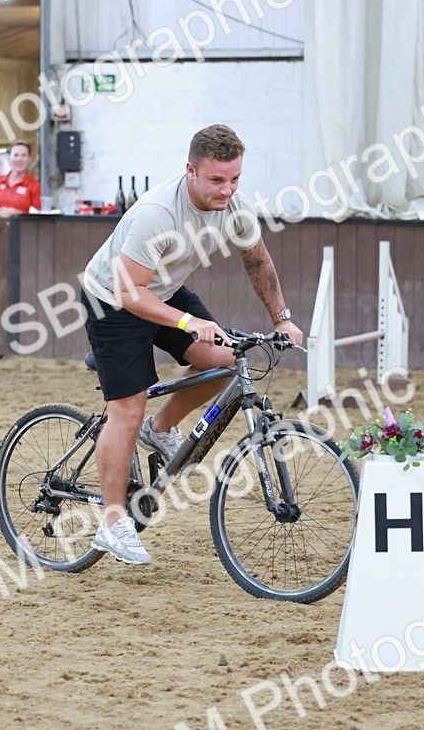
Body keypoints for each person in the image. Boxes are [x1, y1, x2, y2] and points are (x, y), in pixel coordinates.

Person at [79, 124, 303, 565]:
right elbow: (128, 292)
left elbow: (257, 259)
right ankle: (112, 523)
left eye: (235, 178)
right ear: (191, 172)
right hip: (114, 299)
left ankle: (158, 430)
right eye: (217, 180)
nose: (228, 190)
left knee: (224, 361)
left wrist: (283, 319)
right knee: (127, 407)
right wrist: (187, 321)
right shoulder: (158, 213)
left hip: (161, 291)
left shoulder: (235, 208)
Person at [0, 140, 41, 216]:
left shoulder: (35, 186)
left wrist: (15, 214)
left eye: (23, 155)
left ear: (29, 159)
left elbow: (37, 216)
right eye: (16, 155)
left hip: (21, 227)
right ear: (10, 159)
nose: (19, 159)